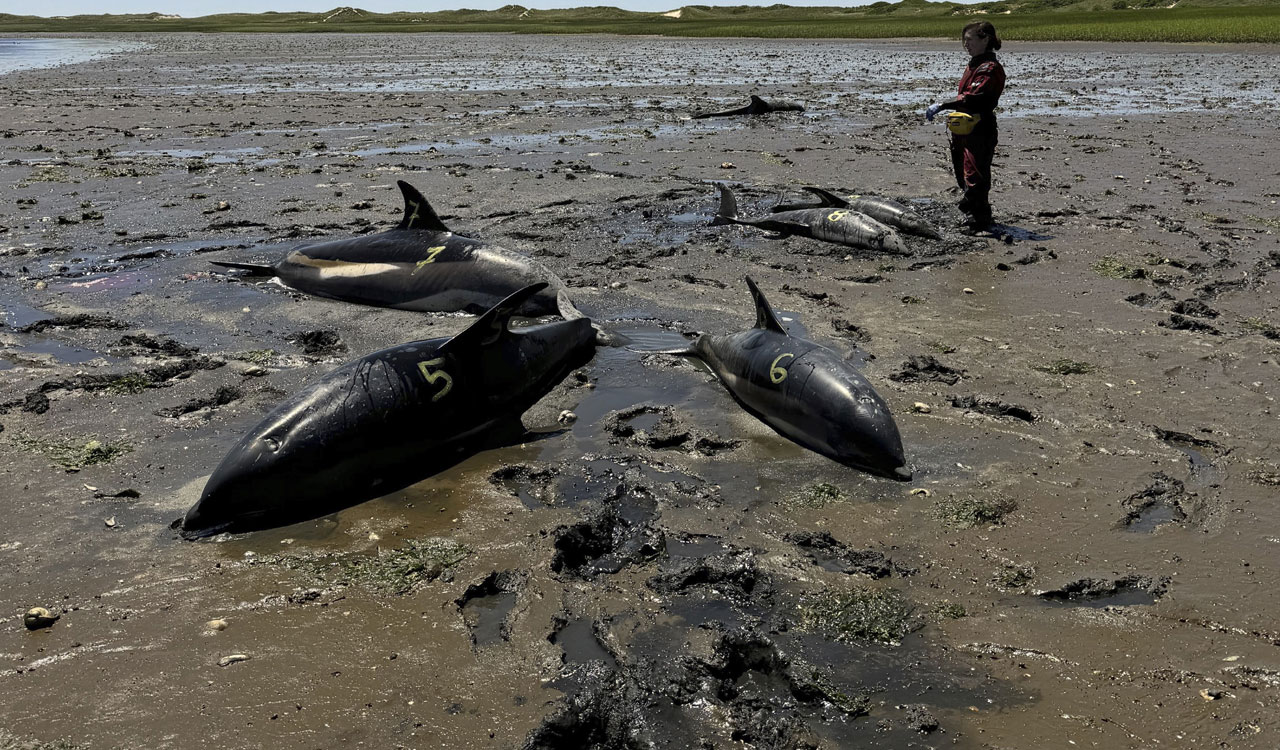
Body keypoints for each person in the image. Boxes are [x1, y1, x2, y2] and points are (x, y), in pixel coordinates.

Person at [925, 21, 1006, 230]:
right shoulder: (973, 64)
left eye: (969, 40)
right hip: (964, 128)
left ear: (985, 39)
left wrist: (943, 105)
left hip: (980, 128)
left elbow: (973, 98)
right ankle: (975, 215)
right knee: (963, 173)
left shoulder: (989, 68)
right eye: (964, 41)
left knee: (975, 175)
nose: (965, 45)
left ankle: (979, 220)